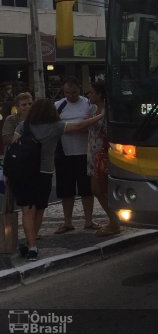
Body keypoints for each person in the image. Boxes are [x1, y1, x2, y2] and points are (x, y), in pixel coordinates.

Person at [12, 98, 104, 260]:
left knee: (27, 210)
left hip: (24, 173)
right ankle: (30, 244)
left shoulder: (23, 125)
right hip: (44, 173)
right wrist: (101, 115)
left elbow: (13, 145)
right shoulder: (56, 127)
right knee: (39, 209)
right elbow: (80, 126)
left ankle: (31, 246)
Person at [54, 76, 98, 234]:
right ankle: (67, 222)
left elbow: (94, 124)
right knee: (66, 190)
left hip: (84, 153)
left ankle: (88, 220)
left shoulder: (88, 104)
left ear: (78, 90)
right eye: (67, 93)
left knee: (87, 189)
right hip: (64, 153)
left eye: (73, 93)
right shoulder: (58, 106)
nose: (70, 96)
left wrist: (83, 126)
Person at [86, 80, 120, 237]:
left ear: (100, 94)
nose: (89, 95)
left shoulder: (108, 111)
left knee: (99, 189)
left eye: (92, 92)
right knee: (100, 190)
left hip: (102, 155)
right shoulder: (95, 109)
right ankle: (114, 220)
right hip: (93, 154)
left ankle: (114, 222)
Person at [2, 93, 33, 210]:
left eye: (30, 103)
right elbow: (6, 138)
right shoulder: (12, 119)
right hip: (14, 161)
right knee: (10, 195)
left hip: (31, 161)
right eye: (23, 104)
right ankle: (9, 224)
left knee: (31, 196)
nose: (27, 107)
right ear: (17, 107)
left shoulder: (36, 119)